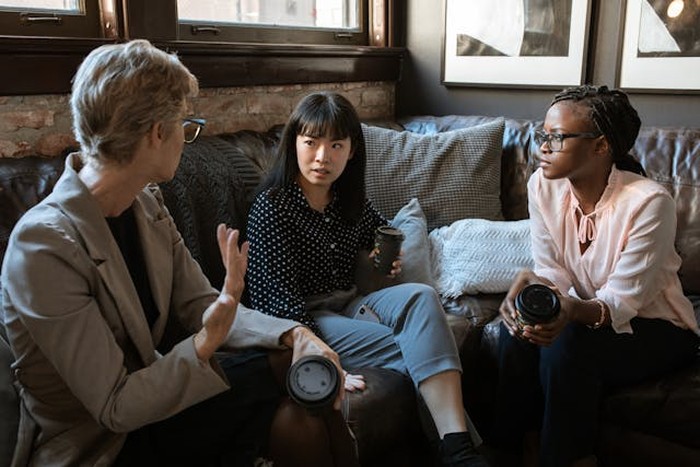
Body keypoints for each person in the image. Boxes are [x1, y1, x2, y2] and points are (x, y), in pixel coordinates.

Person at [1, 40, 350, 467]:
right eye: (184, 124)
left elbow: (202, 304)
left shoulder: (146, 205)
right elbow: (115, 406)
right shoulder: (43, 245)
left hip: (156, 407)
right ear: (156, 133)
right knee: (288, 385)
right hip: (101, 441)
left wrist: (296, 334)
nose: (186, 139)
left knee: (298, 383)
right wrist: (206, 342)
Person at [245, 91, 489, 467]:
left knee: (422, 297)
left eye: (336, 145)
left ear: (352, 150)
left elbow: (380, 230)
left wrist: (383, 257)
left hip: (352, 303)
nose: (322, 157)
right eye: (311, 143)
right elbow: (274, 301)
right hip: (308, 319)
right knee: (422, 347)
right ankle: (460, 450)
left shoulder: (347, 198)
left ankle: (456, 449)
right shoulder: (272, 207)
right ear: (294, 143)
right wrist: (317, 356)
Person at [493, 84, 700, 467]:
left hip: (657, 327)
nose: (543, 147)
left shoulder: (649, 203)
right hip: (588, 319)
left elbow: (622, 302)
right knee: (517, 331)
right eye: (542, 135)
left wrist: (570, 310)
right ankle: (510, 450)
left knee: (568, 343)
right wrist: (534, 288)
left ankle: (566, 458)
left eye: (557, 138)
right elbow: (552, 270)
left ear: (601, 146)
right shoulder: (542, 185)